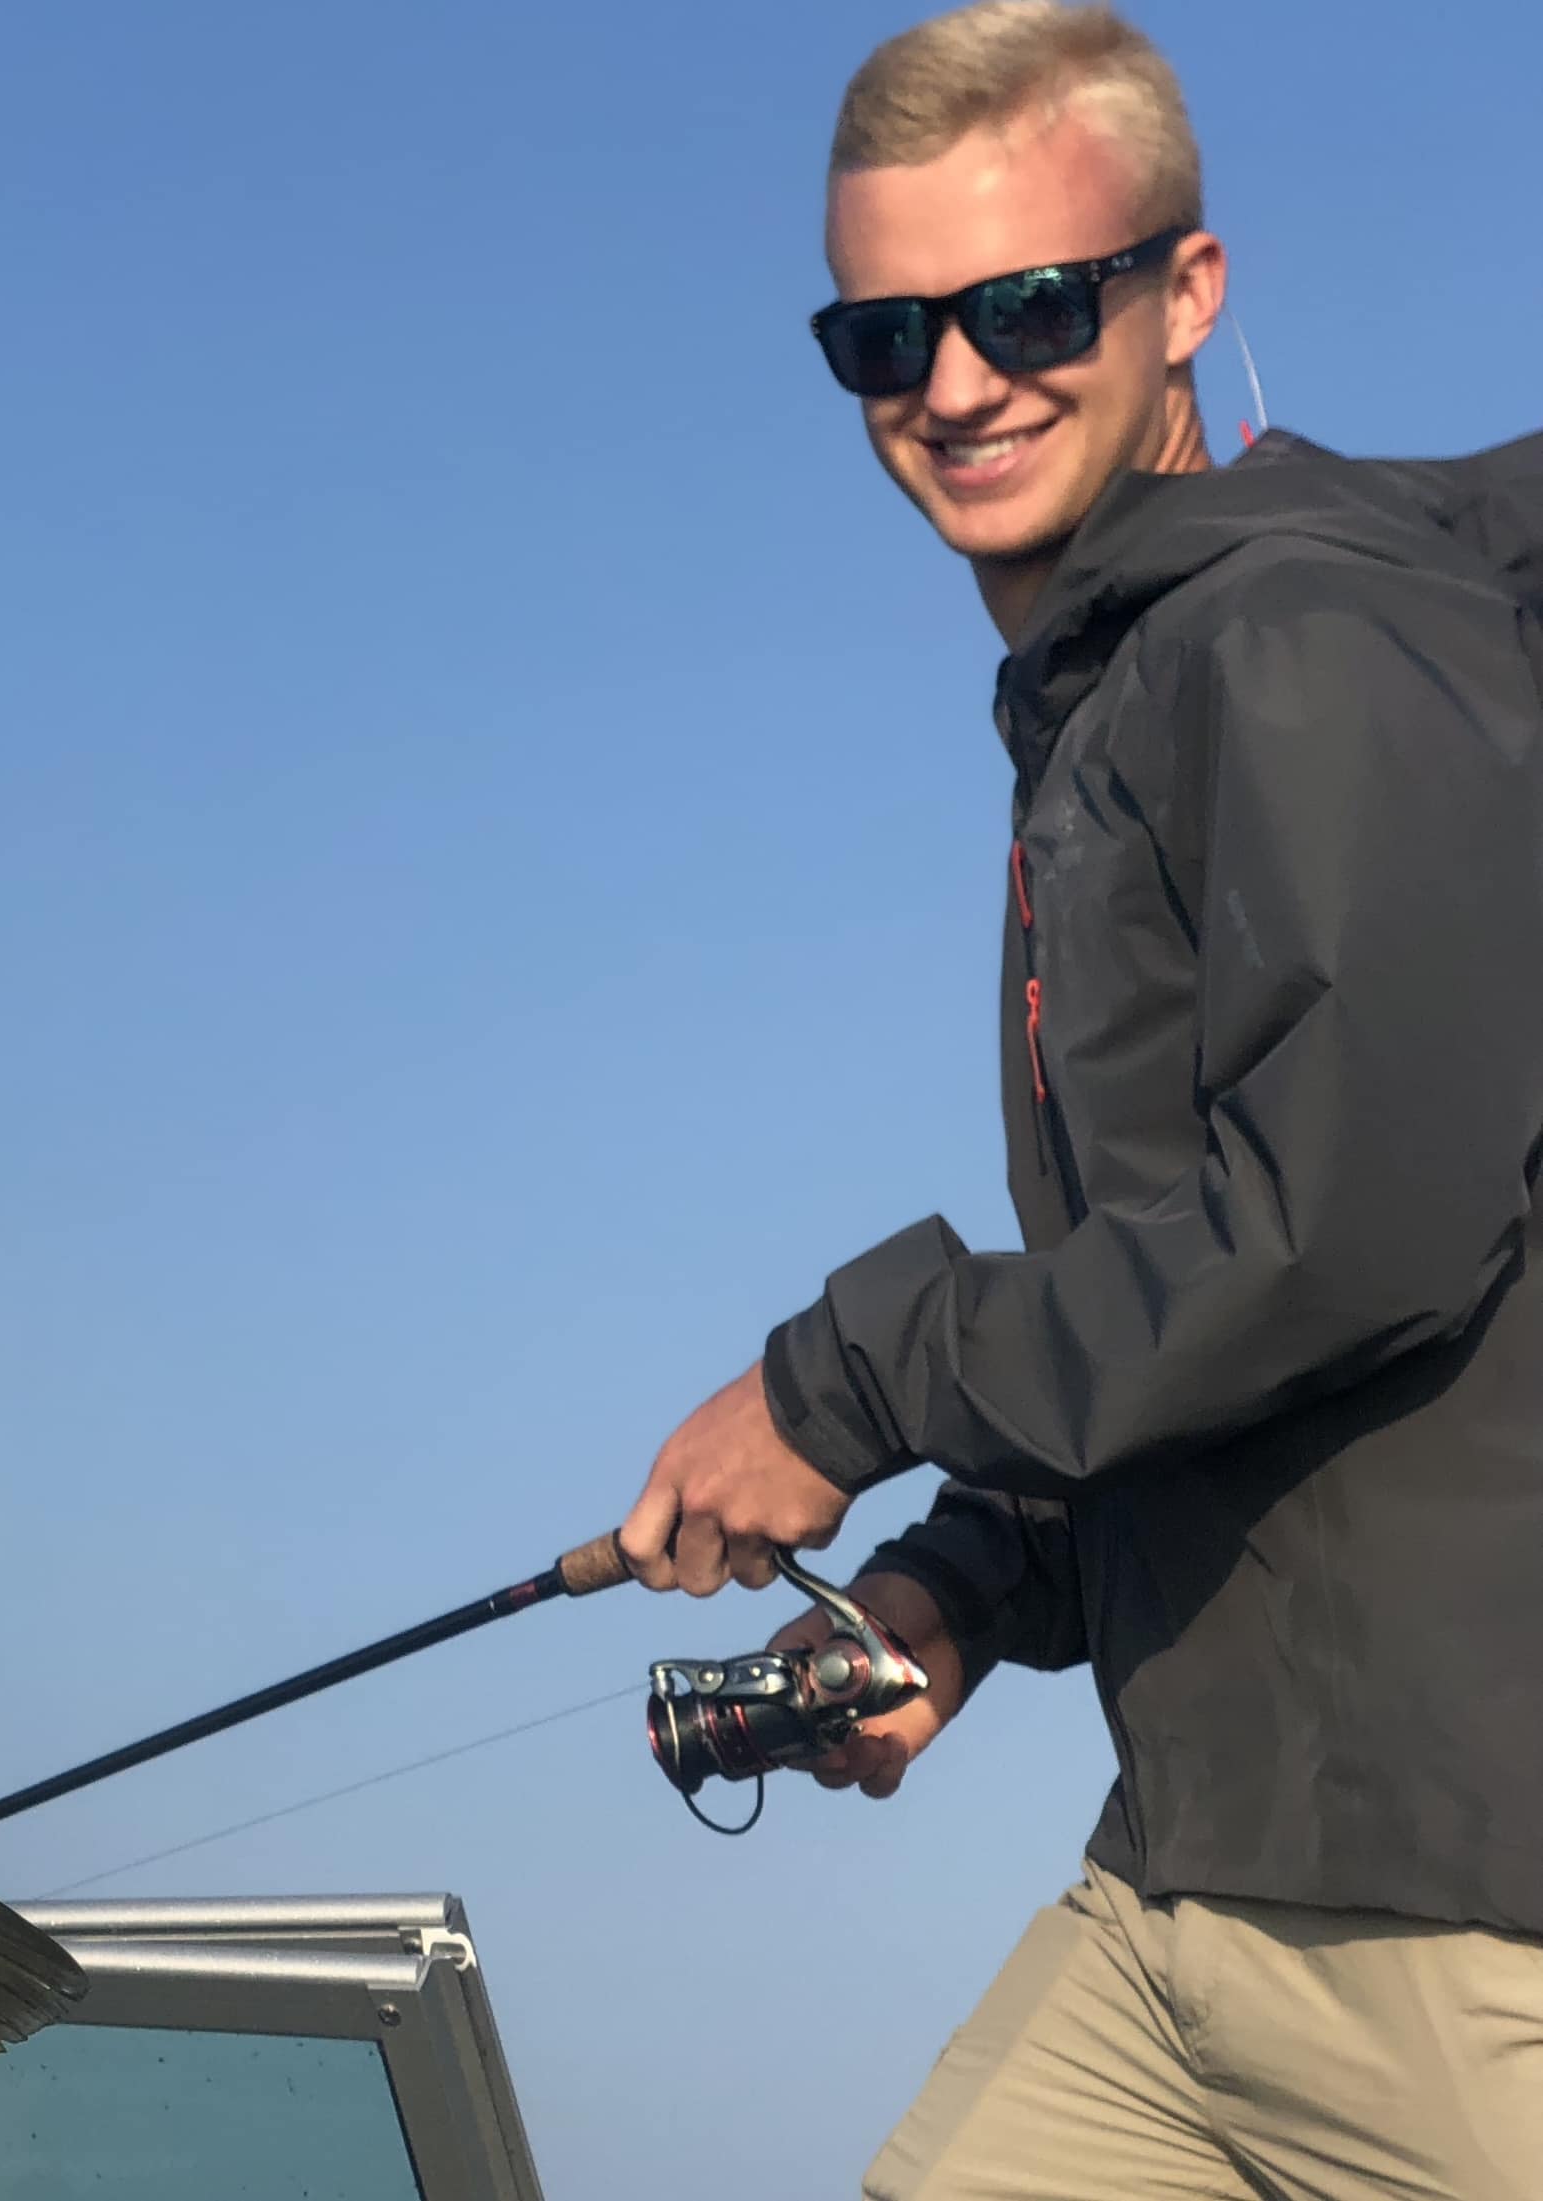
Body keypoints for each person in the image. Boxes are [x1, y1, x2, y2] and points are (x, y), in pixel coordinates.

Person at [611, 5, 1543, 2195]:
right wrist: (965, 1592)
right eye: (884, 335)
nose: (953, 385)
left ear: (1183, 296)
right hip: (1185, 1902)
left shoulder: (1297, 643)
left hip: (1465, 1934)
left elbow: (1349, 1232)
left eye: (1029, 304)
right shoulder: (1108, 701)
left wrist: (848, 1382)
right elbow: (1207, 1294)